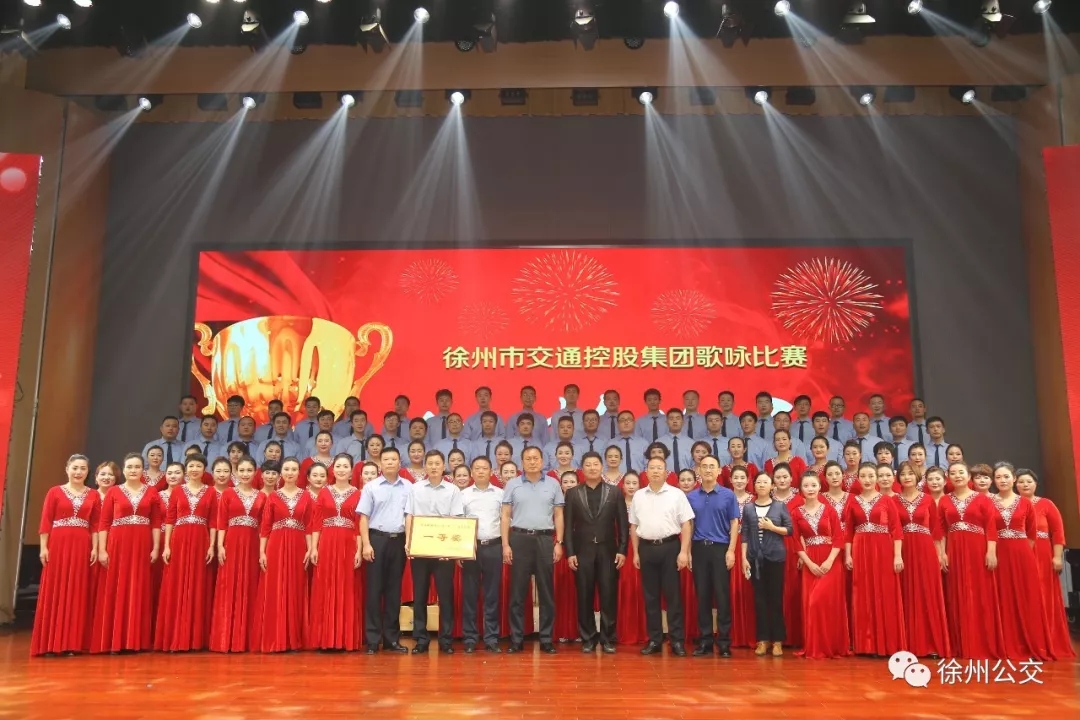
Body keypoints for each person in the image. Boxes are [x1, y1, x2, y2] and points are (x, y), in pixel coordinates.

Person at [32, 455, 101, 656]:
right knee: (55, 589)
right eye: (75, 468)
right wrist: (43, 548)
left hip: (82, 544)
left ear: (88, 471)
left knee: (76, 591)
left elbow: (96, 524)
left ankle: (72, 643)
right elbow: (46, 521)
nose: (78, 472)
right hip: (58, 543)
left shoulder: (93, 495)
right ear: (67, 469)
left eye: (83, 468)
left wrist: (95, 548)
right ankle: (50, 643)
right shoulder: (54, 492)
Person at [501, 446, 565, 653]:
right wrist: (505, 544)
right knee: (517, 593)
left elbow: (559, 515)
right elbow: (505, 516)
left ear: (542, 461)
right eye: (528, 459)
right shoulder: (513, 484)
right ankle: (516, 639)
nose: (532, 461)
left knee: (546, 592)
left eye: (536, 458)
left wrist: (559, 542)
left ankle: (546, 639)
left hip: (545, 540)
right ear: (522, 462)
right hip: (519, 539)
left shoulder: (553, 484)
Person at [564, 451, 628, 654]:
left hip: (608, 551)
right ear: (582, 469)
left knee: (608, 595)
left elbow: (623, 524)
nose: (592, 468)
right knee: (584, 595)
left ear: (602, 467)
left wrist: (622, 550)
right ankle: (588, 638)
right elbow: (568, 526)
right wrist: (570, 552)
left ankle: (607, 638)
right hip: (582, 551)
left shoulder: (615, 492)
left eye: (595, 464)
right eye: (588, 464)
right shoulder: (573, 493)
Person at [938, 462, 1004, 659]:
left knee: (980, 593)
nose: (957, 476)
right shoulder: (944, 500)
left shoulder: (982, 499)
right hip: (954, 550)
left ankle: (982, 643)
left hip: (978, 550)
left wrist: (991, 552)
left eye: (961, 472)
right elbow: (940, 530)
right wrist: (942, 553)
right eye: (953, 473)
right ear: (948, 478)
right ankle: (960, 643)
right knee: (956, 593)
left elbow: (991, 527)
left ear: (969, 477)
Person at [630, 456, 694, 657]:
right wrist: (636, 552)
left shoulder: (676, 494)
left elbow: (686, 524)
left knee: (673, 597)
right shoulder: (638, 496)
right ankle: (655, 640)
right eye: (652, 468)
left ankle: (677, 641)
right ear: (646, 472)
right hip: (646, 548)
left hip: (670, 547)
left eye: (659, 468)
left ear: (666, 473)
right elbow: (633, 526)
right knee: (650, 597)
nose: (656, 471)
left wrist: (683, 551)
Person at [155, 454, 218, 652]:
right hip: (179, 540)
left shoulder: (210, 491)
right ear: (186, 469)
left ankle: (195, 638)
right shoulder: (178, 491)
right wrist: (167, 546)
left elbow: (213, 521)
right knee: (177, 583)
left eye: (198, 466)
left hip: (201, 540)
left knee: (198, 584)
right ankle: (175, 636)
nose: (194, 469)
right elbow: (170, 519)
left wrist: (212, 545)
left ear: (204, 470)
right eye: (191, 466)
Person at [843, 462, 906, 657]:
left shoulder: (887, 501)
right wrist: (848, 554)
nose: (867, 480)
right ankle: (866, 644)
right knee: (863, 593)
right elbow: (848, 531)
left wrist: (897, 555)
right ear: (858, 479)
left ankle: (886, 643)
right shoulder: (853, 501)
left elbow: (896, 530)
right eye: (863, 476)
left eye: (871, 476)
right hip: (861, 549)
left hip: (884, 549)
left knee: (885, 593)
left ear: (877, 478)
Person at [251, 457, 313, 653]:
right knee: (275, 587)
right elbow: (266, 526)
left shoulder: (306, 496)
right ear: (281, 473)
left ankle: (294, 639)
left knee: (296, 587)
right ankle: (275, 638)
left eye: (294, 469)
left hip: (298, 544)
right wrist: (262, 551)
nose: (290, 472)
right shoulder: (273, 497)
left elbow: (310, 525)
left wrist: (311, 548)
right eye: (286, 469)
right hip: (276, 544)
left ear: (299, 473)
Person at [405, 450, 465, 654]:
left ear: (443, 466)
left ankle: (446, 640)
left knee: (445, 596)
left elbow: (456, 519)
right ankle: (421, 639)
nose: (433, 467)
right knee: (420, 595)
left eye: (437, 463)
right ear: (425, 466)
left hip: (443, 550)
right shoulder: (415, 488)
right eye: (429, 463)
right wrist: (408, 542)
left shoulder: (453, 490)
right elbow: (410, 515)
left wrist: (452, 549)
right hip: (420, 548)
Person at [989, 462, 1050, 660]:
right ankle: (1005, 643)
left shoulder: (1025, 503)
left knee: (1026, 596)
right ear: (994, 480)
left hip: (1022, 553)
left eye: (1006, 476)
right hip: (998, 553)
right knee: (1001, 596)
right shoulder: (988, 502)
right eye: (998, 477)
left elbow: (1032, 534)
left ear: (1013, 479)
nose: (1002, 480)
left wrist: (1022, 551)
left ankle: (1030, 642)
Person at [1015, 468, 1075, 659]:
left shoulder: (1046, 504)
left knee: (1043, 595)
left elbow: (1058, 532)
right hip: (1018, 553)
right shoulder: (1013, 504)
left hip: (1042, 554)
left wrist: (1057, 557)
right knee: (1023, 595)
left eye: (1029, 481)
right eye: (1021, 482)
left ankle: (1046, 641)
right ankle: (1026, 640)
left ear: (1036, 484)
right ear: (1015, 484)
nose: (1025, 485)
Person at [359, 447, 412, 654]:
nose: (390, 462)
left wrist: (409, 541)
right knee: (374, 590)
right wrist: (366, 544)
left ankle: (391, 639)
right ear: (380, 463)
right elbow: (363, 517)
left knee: (393, 591)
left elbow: (410, 516)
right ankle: (373, 639)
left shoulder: (408, 486)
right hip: (377, 540)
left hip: (399, 541)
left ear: (400, 463)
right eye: (386, 459)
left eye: (394, 459)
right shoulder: (371, 487)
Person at [309, 453, 364, 652]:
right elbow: (316, 522)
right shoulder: (324, 492)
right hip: (326, 542)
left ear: (351, 471)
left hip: (349, 543)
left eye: (345, 466)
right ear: (333, 470)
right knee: (325, 586)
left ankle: (345, 638)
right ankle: (324, 639)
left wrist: (359, 550)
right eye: (338, 466)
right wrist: (314, 547)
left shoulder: (358, 494)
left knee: (347, 587)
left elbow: (359, 525)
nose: (341, 469)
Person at [896, 460, 950, 659]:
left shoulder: (927, 500)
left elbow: (936, 530)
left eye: (910, 473)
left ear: (917, 476)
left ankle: (931, 644)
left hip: (925, 549)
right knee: (905, 593)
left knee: (927, 592)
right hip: (903, 549)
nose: (907, 477)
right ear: (898, 478)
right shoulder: (893, 500)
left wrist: (940, 554)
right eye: (903, 474)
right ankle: (906, 643)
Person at [686, 455, 740, 657]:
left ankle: (724, 642)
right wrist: (688, 551)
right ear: (699, 470)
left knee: (722, 596)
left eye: (712, 466)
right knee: (702, 596)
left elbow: (734, 523)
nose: (708, 470)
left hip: (720, 549)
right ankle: (705, 641)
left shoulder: (728, 495)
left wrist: (731, 550)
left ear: (719, 471)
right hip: (699, 549)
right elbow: (689, 525)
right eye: (704, 466)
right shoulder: (691, 497)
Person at [210, 456, 264, 653]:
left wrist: (262, 550)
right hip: (231, 542)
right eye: (241, 470)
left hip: (253, 543)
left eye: (249, 470)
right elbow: (221, 522)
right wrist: (220, 545)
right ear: (236, 472)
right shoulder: (228, 494)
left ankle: (247, 638)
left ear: (255, 472)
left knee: (250, 584)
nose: (245, 474)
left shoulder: (262, 496)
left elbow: (263, 526)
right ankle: (226, 638)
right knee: (229, 585)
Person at [792, 471, 849, 659]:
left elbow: (839, 538)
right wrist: (809, 563)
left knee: (824, 603)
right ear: (800, 489)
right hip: (810, 560)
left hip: (830, 560)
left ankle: (831, 646)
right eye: (806, 486)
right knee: (812, 604)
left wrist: (829, 561)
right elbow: (796, 542)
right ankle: (815, 647)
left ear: (819, 487)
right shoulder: (796, 513)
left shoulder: (829, 510)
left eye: (814, 485)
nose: (810, 489)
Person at [741, 472, 792, 657]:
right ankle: (762, 640)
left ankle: (777, 641)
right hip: (755, 558)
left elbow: (790, 530)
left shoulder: (779, 506)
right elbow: (745, 534)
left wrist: (772, 528)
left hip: (775, 558)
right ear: (754, 486)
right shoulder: (748, 508)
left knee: (775, 600)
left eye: (765, 482)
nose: (761, 485)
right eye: (758, 482)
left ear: (772, 486)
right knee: (759, 600)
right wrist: (743, 558)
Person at [460, 457, 504, 653]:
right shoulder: (463, 495)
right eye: (476, 468)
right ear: (471, 472)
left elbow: (506, 520)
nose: (480, 471)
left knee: (492, 594)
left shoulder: (500, 494)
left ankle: (491, 638)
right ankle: (470, 638)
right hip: (471, 548)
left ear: (491, 471)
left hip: (494, 546)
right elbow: (459, 523)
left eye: (484, 468)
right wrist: (460, 551)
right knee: (469, 594)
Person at [770, 463, 804, 648]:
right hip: (770, 547)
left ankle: (793, 636)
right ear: (773, 480)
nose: (782, 480)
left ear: (792, 479)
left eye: (785, 477)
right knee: (774, 590)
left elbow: (803, 529)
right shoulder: (766, 498)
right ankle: (774, 636)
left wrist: (802, 553)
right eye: (778, 477)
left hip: (793, 548)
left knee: (792, 589)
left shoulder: (800, 499)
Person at [727, 467, 756, 649]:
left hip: (750, 546)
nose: (739, 481)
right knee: (730, 589)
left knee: (749, 589)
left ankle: (752, 634)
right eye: (735, 477)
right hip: (729, 546)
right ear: (730, 480)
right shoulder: (725, 497)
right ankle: (733, 634)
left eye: (742, 477)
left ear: (748, 480)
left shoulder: (754, 499)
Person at [553, 471, 581, 644]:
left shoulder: (582, 501)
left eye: (572, 481)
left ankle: (578, 630)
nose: (569, 484)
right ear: (560, 485)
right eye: (565, 481)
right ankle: (560, 630)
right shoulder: (554, 503)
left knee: (578, 590)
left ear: (578, 483)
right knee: (559, 589)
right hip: (557, 548)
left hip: (578, 549)